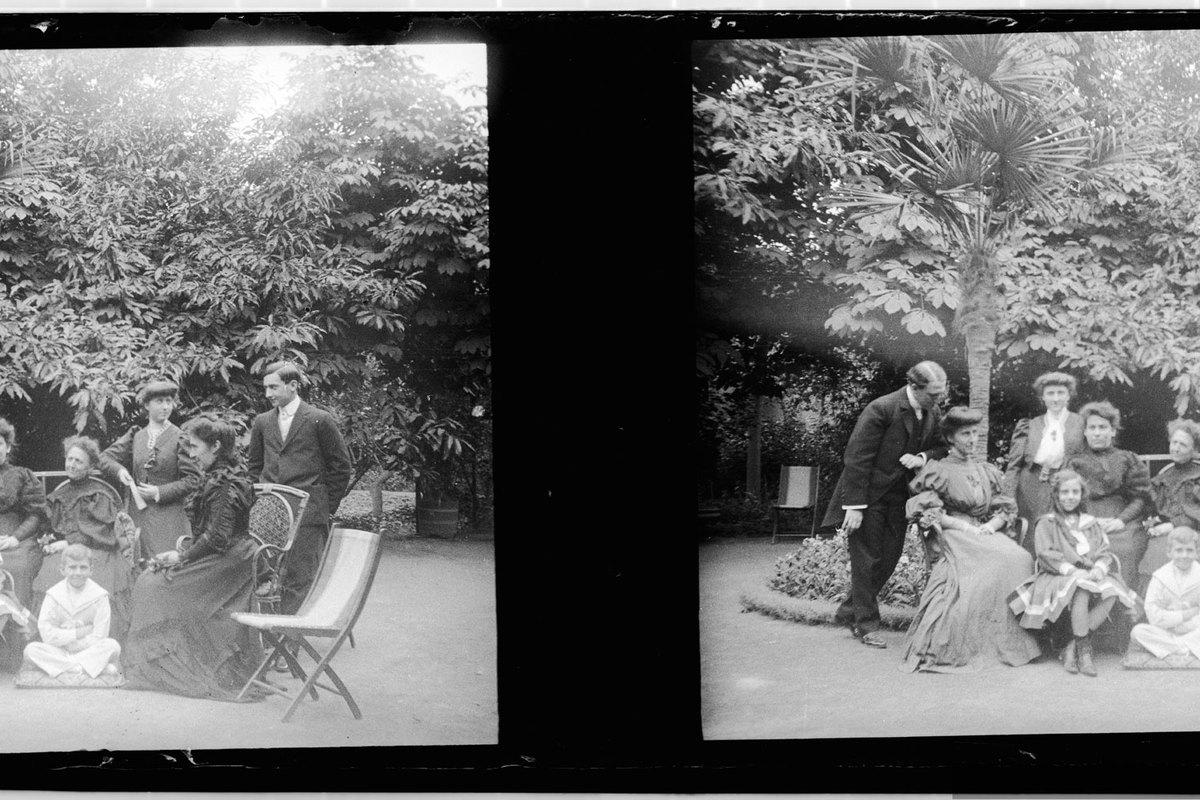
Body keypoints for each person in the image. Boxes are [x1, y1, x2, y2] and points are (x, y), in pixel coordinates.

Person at [122, 415, 264, 700]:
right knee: (151, 578)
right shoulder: (215, 476)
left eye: (196, 447)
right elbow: (209, 536)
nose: (192, 453)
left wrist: (181, 556)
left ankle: (165, 666)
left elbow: (218, 537)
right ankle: (161, 664)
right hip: (219, 553)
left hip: (231, 561)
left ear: (215, 447)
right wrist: (182, 553)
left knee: (152, 585)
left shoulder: (226, 482)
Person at [901, 406, 1041, 672]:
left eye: (975, 433)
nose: (972, 439)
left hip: (982, 531)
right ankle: (973, 643)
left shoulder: (985, 470)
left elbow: (1004, 507)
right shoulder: (938, 470)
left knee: (1020, 557)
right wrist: (965, 528)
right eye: (965, 434)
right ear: (951, 438)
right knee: (998, 558)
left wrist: (991, 525)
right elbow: (930, 511)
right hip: (954, 532)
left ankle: (1012, 641)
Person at [820, 361, 949, 649]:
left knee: (889, 558)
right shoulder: (882, 408)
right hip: (868, 497)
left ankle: (848, 611)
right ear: (914, 387)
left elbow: (941, 446)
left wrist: (922, 458)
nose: (938, 399)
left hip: (900, 498)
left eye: (940, 394)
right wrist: (854, 506)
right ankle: (866, 625)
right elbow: (856, 457)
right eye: (933, 393)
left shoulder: (933, 411)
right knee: (867, 560)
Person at [1009, 470, 1137, 676]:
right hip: (1057, 575)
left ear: (1081, 495)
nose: (1070, 497)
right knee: (1082, 589)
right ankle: (1085, 653)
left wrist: (1098, 568)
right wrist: (1073, 571)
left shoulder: (1090, 523)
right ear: (1056, 495)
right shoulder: (1047, 522)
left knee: (1112, 591)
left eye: (1075, 492)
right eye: (1065, 492)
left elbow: (1104, 552)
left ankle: (1073, 646)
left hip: (1090, 574)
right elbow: (1045, 554)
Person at [247, 361, 352, 614]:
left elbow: (341, 467)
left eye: (273, 387)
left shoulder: (319, 419)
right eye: (266, 388)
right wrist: (258, 501)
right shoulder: (262, 422)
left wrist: (325, 505)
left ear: (293, 385)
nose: (268, 394)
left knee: (299, 575)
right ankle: (271, 631)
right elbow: (254, 467)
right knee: (267, 572)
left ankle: (290, 637)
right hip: (270, 513)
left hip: (308, 514)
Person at [40, 436, 135, 642]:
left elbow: (101, 533)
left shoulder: (98, 494)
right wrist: (49, 541)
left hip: (98, 549)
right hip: (67, 551)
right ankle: (59, 638)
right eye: (70, 459)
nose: (72, 465)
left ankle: (97, 638)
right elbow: (51, 527)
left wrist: (68, 542)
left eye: (79, 461)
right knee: (48, 572)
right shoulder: (60, 494)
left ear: (91, 466)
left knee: (100, 577)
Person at [98, 379, 202, 558]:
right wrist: (120, 471)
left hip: (170, 517)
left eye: (169, 401)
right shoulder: (136, 435)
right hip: (139, 515)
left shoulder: (180, 438)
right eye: (159, 401)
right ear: (146, 404)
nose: (165, 407)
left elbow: (194, 479)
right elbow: (104, 458)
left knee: (168, 566)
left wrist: (158, 491)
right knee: (139, 563)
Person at [1065, 401, 1151, 585]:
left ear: (1112, 431)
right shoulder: (1074, 462)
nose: (1097, 433)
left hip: (1124, 522)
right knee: (1084, 548)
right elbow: (1065, 498)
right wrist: (1087, 520)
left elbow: (1140, 498)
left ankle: (1126, 606)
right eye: (1092, 427)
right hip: (1084, 521)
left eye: (1103, 427)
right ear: (1085, 432)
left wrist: (1121, 520)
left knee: (1125, 548)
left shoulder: (1129, 459)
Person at [1003, 372, 1086, 557]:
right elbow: (1014, 465)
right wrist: (1009, 497)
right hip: (1030, 487)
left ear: (1069, 395)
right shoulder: (1030, 425)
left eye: (1060, 393)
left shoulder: (1081, 423)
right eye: (1050, 393)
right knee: (1030, 534)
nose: (1055, 398)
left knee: (1062, 534)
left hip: (1064, 485)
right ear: (1042, 397)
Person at [23, 543, 121, 680]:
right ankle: (84, 667)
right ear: (63, 570)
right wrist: (78, 633)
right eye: (72, 567)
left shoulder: (100, 596)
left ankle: (64, 667)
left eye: (83, 567)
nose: (78, 573)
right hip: (59, 649)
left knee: (113, 646)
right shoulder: (53, 595)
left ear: (91, 570)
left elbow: (100, 635)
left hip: (88, 650)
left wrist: (77, 645)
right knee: (31, 650)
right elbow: (47, 634)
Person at [1138, 419, 1200, 592]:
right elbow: (1153, 508)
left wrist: (1172, 525)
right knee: (1152, 549)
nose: (1176, 448)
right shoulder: (1164, 477)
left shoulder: (1197, 476)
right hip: (1166, 532)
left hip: (1194, 531)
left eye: (1183, 444)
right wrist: (1152, 523)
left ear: (1193, 450)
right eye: (1174, 442)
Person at [0, 418, 49, 612]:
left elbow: (35, 515)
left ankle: (18, 631)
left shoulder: (22, 475)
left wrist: (15, 538)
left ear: (8, 447)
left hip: (19, 539)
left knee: (17, 567)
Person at [1130, 526, 1200, 660]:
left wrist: (1190, 624)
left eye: (1189, 550)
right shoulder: (1160, 577)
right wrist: (1182, 616)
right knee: (1138, 632)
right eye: (1179, 550)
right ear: (1169, 552)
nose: (1184, 555)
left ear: (1197, 552)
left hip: (1195, 630)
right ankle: (1186, 648)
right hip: (1167, 631)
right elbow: (1152, 613)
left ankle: (1174, 648)